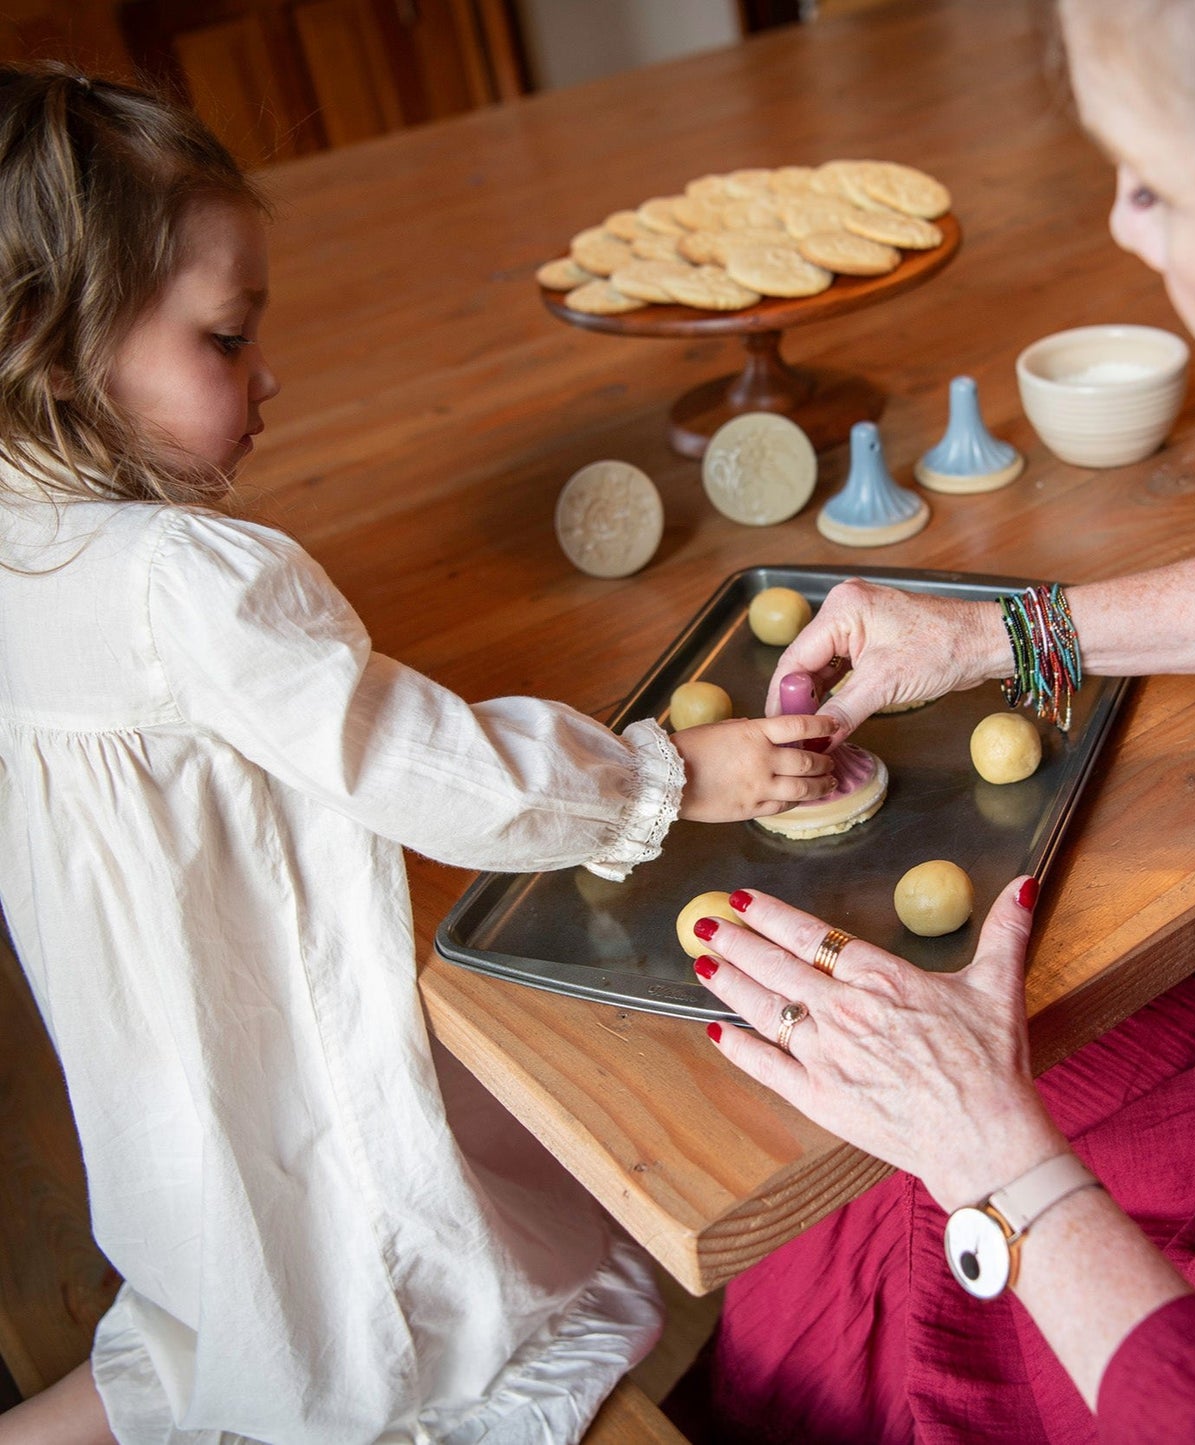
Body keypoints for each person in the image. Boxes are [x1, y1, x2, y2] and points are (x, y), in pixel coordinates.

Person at [0, 64, 841, 1445]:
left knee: (224, 1278)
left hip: (145, 1052)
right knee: (372, 1277)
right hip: (272, 1043)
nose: (267, 375)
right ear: (53, 346)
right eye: (222, 339)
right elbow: (423, 764)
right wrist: (669, 775)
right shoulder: (190, 582)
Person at [683, 0, 1195, 1440]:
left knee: (843, 1248)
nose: (1123, 226)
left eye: (1154, 180)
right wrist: (1001, 632)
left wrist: (989, 1151)